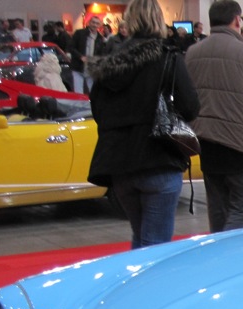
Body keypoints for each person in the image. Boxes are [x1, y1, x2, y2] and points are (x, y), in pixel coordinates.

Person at [87, 0, 200, 249]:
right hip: (159, 157)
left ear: (129, 21)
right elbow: (191, 106)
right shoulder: (168, 57)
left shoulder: (109, 62)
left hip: (119, 162)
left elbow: (97, 109)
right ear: (158, 20)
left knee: (140, 238)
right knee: (154, 247)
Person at [185, 0, 243, 232]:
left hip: (205, 140)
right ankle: (232, 249)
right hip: (239, 143)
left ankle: (219, 248)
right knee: (241, 209)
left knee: (217, 208)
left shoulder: (192, 53)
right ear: (237, 20)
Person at [70, 16, 108, 94]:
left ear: (99, 25)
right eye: (93, 22)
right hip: (78, 67)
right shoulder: (79, 33)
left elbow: (101, 54)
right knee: (78, 93)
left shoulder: (100, 38)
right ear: (89, 23)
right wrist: (80, 57)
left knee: (93, 92)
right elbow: (71, 47)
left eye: (97, 23)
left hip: (91, 68)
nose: (95, 25)